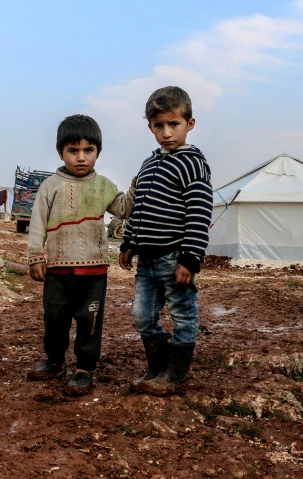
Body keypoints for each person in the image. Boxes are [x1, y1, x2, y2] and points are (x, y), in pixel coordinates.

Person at [26, 114, 133, 396]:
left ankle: (85, 367)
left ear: (98, 151)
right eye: (73, 151)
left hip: (94, 271)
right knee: (54, 318)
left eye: (89, 150)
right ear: (61, 152)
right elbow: (37, 222)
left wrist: (136, 186)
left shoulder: (105, 186)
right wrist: (36, 256)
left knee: (90, 320)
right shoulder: (50, 186)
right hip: (58, 270)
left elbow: (123, 209)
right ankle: (55, 360)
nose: (81, 157)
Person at [119, 86, 212, 396]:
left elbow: (199, 213)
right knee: (142, 316)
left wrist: (190, 258)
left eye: (174, 124)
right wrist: (128, 242)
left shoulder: (192, 163)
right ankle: (157, 367)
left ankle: (176, 373)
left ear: (190, 124)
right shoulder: (148, 165)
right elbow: (139, 207)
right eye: (159, 126)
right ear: (150, 127)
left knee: (183, 314)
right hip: (147, 259)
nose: (167, 132)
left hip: (175, 257)